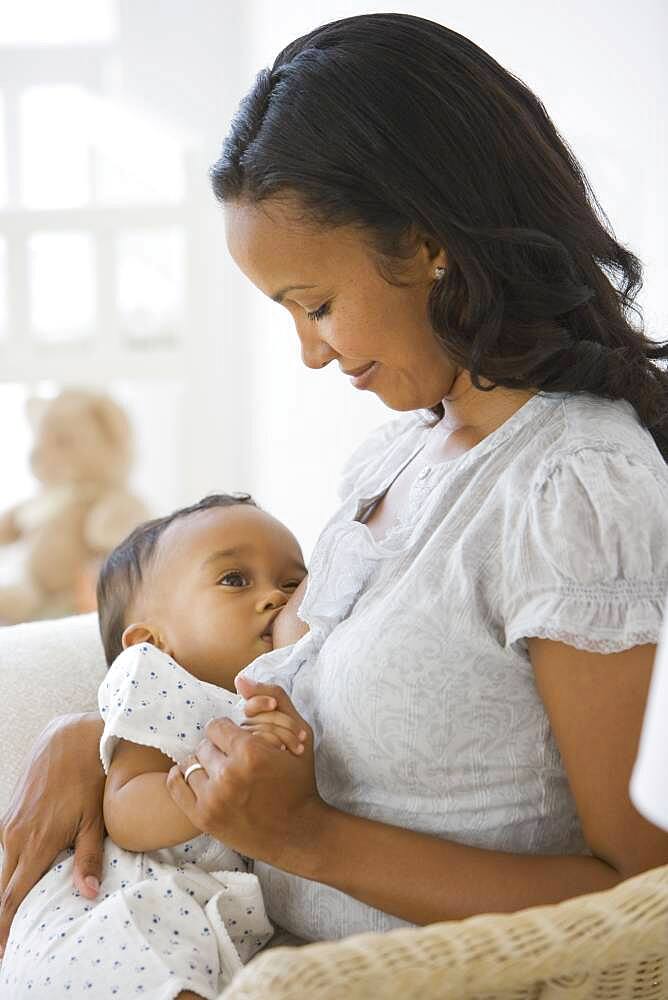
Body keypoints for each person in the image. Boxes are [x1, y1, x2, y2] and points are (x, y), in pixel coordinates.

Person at [2, 8, 668, 971]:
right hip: (240, 933)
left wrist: (307, 837)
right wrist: (94, 736)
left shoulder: (574, 489)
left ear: (429, 241)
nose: (310, 353)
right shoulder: (398, 455)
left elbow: (642, 899)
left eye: (315, 305)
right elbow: (264, 666)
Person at [0, 493, 310, 999]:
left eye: (292, 583)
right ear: (152, 641)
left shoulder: (281, 697)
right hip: (109, 907)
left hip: (196, 917)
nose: (274, 597)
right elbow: (126, 809)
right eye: (235, 579)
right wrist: (218, 785)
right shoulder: (156, 684)